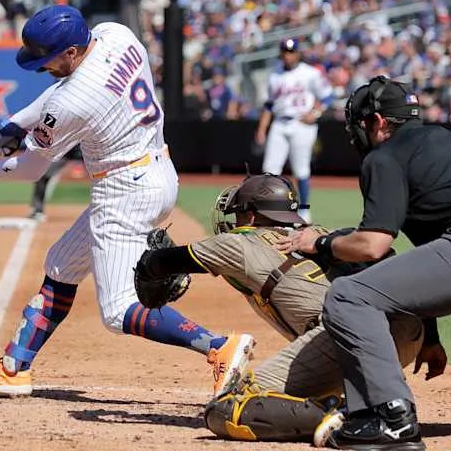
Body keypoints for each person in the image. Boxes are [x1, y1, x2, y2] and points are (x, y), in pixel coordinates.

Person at [0, 4, 254, 399]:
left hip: (124, 190)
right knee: (61, 264)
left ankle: (218, 347)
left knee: (117, 310)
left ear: (72, 51)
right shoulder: (116, 33)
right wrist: (10, 126)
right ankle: (14, 368)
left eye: (48, 59)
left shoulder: (74, 102)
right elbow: (57, 94)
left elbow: (31, 168)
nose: (42, 67)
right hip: (155, 171)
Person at [132, 173, 423, 444]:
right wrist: (430, 337)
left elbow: (165, 262)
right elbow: (389, 265)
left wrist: (148, 265)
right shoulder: (319, 233)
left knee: (226, 408)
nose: (235, 220)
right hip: (409, 333)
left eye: (239, 213)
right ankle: (367, 399)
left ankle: (344, 417)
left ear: (252, 214)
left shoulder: (238, 243)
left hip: (349, 339)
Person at [280, 76, 451, 450]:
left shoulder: (385, 156)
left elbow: (372, 246)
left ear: (377, 123)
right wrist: (432, 336)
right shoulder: (443, 140)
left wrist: (321, 241)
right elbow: (427, 257)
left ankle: (392, 418)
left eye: (358, 124)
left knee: (348, 296)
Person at [254, 38, 333, 223]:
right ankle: (269, 209)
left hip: (301, 124)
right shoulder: (275, 75)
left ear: (298, 53)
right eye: (285, 51)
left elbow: (328, 96)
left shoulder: (310, 73)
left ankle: (304, 210)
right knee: (269, 170)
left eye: (291, 51)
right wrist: (262, 128)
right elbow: (269, 105)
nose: (288, 55)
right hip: (280, 123)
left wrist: (315, 113)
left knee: (301, 170)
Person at [27, 144, 83, 222]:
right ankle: (38, 210)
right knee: (42, 176)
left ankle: (104, 208)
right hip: (63, 152)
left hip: (86, 149)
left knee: (101, 175)